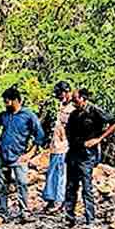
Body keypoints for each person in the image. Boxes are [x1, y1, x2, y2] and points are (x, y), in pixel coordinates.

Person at [0, 87, 46, 222]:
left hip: (19, 157)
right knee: (1, 185)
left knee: (22, 184)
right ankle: (2, 211)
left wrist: (30, 153)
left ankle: (24, 212)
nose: (6, 104)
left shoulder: (28, 116)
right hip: (3, 156)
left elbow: (40, 135)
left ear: (16, 101)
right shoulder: (4, 115)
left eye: (7, 102)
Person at [63, 88, 115, 225]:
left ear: (83, 98)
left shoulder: (95, 111)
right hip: (73, 152)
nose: (74, 102)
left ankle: (90, 219)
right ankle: (69, 217)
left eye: (76, 99)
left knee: (87, 186)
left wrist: (99, 138)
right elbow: (68, 131)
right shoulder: (74, 114)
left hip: (87, 155)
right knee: (70, 186)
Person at [41, 81, 75, 213]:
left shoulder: (72, 109)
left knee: (61, 174)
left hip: (64, 147)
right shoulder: (62, 106)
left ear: (66, 92)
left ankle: (59, 201)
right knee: (52, 173)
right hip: (55, 146)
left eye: (61, 94)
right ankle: (51, 199)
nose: (60, 97)